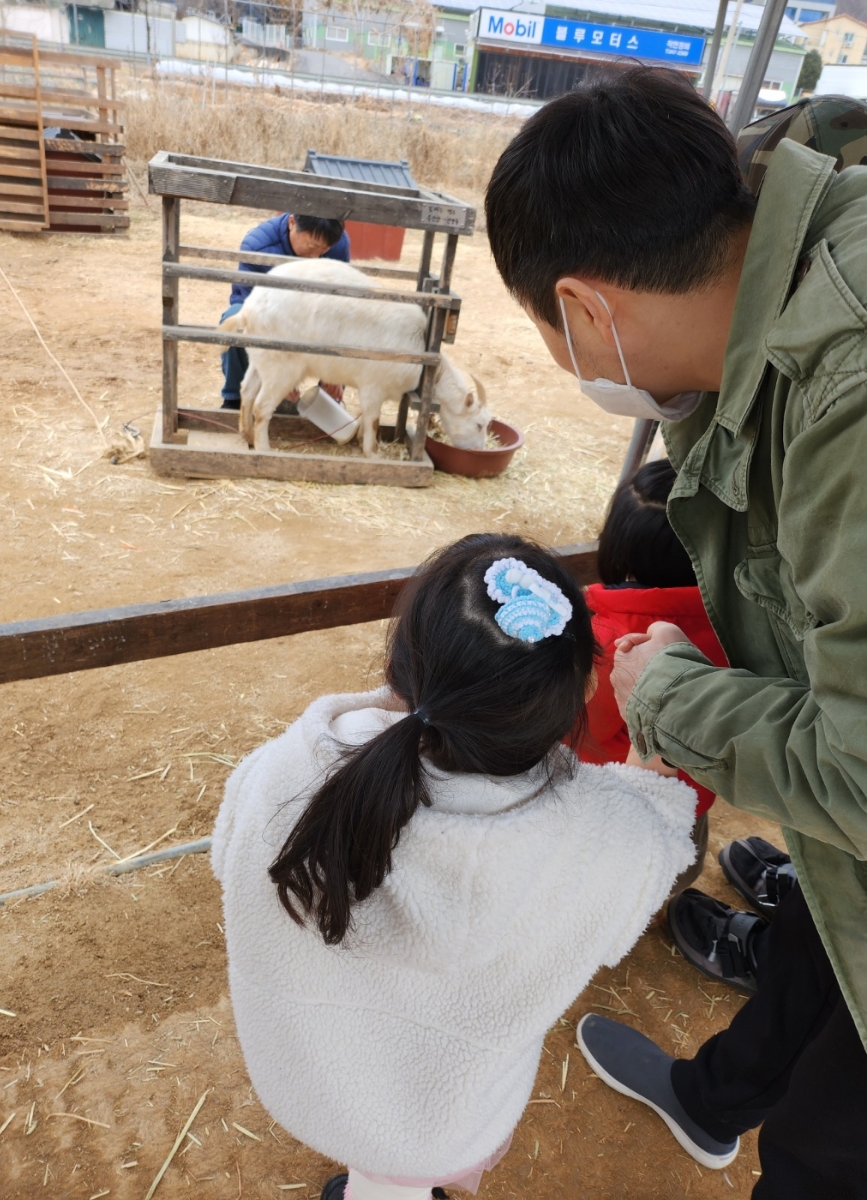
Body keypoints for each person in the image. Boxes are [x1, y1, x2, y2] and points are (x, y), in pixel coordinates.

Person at [485, 66, 867, 1196]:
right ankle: (722, 1095)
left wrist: (669, 695)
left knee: (822, 1160)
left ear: (588, 310)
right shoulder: (809, 227)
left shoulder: (844, 398)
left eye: (555, 337)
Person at [211, 533, 698, 1200]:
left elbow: (224, 860)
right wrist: (667, 711)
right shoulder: (603, 841)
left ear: (399, 660)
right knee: (401, 1181)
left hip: (308, 1080)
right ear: (585, 687)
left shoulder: (284, 774)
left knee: (374, 1175)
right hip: (445, 1121)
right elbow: (659, 838)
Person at [577, 458, 729, 892]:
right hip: (688, 803)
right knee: (669, 875)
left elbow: (581, 727)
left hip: (607, 802)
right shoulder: (742, 630)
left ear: (619, 550)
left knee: (603, 887)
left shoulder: (600, 637)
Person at [220, 213, 350, 410]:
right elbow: (250, 310)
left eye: (324, 250)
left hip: (312, 315)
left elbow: (339, 307)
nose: (316, 256)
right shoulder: (258, 246)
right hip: (268, 315)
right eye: (313, 246)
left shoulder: (338, 243)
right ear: (292, 223)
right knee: (234, 320)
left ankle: (327, 402)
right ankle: (235, 400)